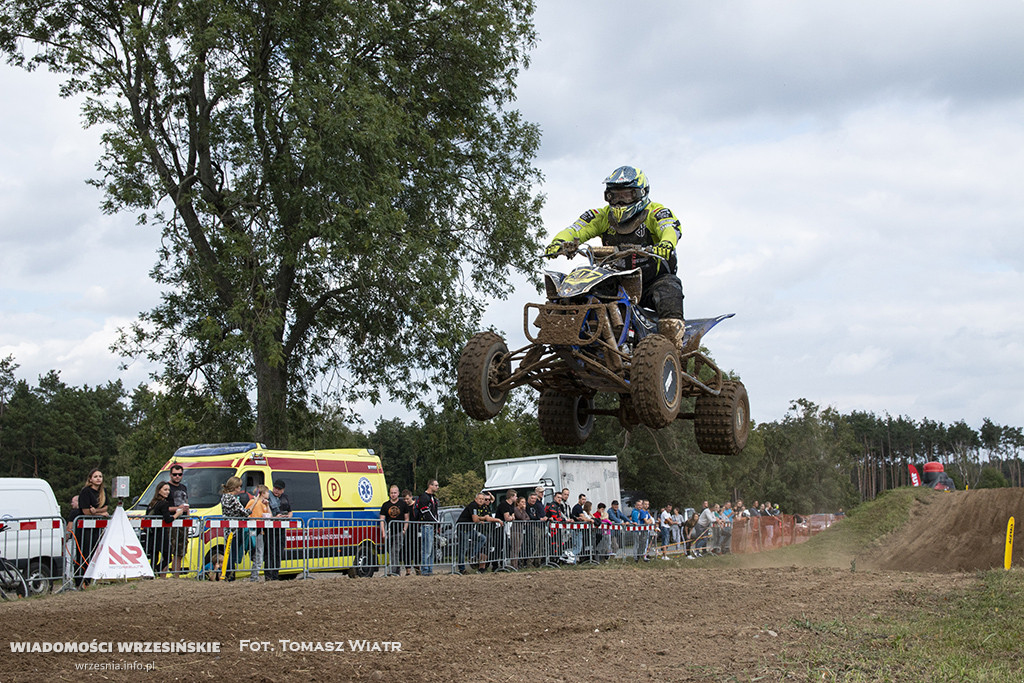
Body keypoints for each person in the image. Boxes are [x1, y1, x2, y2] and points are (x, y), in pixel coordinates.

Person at [545, 165, 686, 348]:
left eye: (626, 195)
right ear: (607, 196)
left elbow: (669, 228)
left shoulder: (656, 212)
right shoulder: (601, 216)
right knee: (576, 290)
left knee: (669, 293)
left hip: (652, 281)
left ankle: (672, 352)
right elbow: (576, 228)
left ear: (641, 193)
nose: (620, 201)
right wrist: (559, 243)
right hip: (615, 280)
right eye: (615, 196)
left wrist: (666, 244)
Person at [75, 468, 109, 586]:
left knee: (95, 551)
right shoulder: (86, 492)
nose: (98, 478)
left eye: (100, 476)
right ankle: (80, 580)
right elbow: (86, 512)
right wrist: (99, 513)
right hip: (85, 528)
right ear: (90, 479)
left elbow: (105, 508)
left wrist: (96, 511)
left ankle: (90, 580)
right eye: (95, 476)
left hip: (97, 526)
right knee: (85, 553)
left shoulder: (103, 491)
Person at [145, 481, 183, 577]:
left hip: (152, 533)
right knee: (168, 556)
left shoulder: (152, 503)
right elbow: (168, 519)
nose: (167, 492)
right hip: (160, 534)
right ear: (159, 490)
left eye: (168, 490)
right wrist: (177, 514)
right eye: (165, 490)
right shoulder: (163, 504)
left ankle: (151, 573)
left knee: (154, 557)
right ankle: (156, 570)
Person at [219, 476, 248, 580]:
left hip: (227, 528)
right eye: (239, 486)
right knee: (232, 553)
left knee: (229, 551)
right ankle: (230, 575)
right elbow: (244, 512)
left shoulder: (223, 497)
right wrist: (250, 510)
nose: (240, 489)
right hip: (234, 529)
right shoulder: (232, 498)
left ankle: (229, 575)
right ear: (235, 487)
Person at [455, 493, 489, 574]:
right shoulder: (473, 505)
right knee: (463, 549)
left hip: (470, 529)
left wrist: (479, 519)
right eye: (479, 498)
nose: (481, 500)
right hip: (463, 529)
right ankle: (462, 568)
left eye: (482, 499)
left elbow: (477, 518)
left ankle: (472, 554)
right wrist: (483, 518)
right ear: (475, 499)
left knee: (482, 538)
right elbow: (475, 519)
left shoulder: (479, 507)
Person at [265, 480, 292, 580]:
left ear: (283, 490)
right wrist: (275, 517)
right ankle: (268, 576)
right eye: (275, 488)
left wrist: (288, 516)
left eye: (279, 489)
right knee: (270, 553)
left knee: (278, 553)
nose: (276, 490)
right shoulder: (268, 496)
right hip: (270, 530)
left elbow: (290, 511)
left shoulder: (285, 498)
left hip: (281, 529)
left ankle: (275, 575)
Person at [380, 484, 408, 577]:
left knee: (395, 550)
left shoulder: (403, 504)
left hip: (399, 531)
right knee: (390, 551)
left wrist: (404, 529)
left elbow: (406, 518)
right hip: (389, 531)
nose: (393, 495)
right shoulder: (385, 505)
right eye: (392, 493)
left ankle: (394, 570)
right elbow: (382, 520)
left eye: (395, 493)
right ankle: (396, 569)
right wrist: (383, 532)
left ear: (398, 493)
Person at [166, 464, 190, 575]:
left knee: (181, 549)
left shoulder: (183, 487)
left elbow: (186, 503)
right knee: (169, 548)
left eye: (179, 474)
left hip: (183, 521)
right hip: (171, 520)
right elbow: (162, 506)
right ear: (170, 475)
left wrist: (188, 516)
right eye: (175, 474)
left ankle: (176, 575)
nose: (177, 476)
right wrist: (177, 509)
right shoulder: (166, 488)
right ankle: (163, 575)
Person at [245, 485, 271, 581]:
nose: (269, 494)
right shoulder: (253, 502)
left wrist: (267, 505)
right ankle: (254, 577)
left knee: (258, 554)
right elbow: (246, 513)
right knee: (257, 554)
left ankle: (254, 576)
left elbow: (270, 516)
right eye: (268, 492)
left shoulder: (264, 504)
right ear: (263, 493)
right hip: (253, 531)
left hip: (260, 531)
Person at [416, 480, 440, 576]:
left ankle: (430, 568)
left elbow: (435, 512)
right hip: (426, 525)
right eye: (436, 485)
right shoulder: (424, 497)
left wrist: (437, 524)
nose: (437, 487)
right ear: (430, 485)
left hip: (432, 526)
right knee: (426, 549)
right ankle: (425, 569)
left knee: (431, 549)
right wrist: (436, 522)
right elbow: (426, 512)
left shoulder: (433, 498)